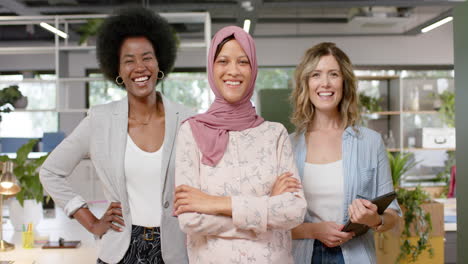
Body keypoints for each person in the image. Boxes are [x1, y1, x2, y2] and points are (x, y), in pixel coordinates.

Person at [39, 7, 193, 264]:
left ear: (159, 62)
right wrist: (90, 222)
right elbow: (50, 171)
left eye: (147, 58)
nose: (139, 67)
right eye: (129, 60)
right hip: (119, 250)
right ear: (118, 70)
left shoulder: (187, 120)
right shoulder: (99, 120)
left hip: (175, 252)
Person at [172, 26, 307, 264]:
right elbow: (190, 220)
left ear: (253, 68)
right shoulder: (190, 132)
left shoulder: (275, 134)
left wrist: (213, 204)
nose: (233, 71)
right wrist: (265, 212)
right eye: (223, 61)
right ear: (211, 68)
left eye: (243, 62)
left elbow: (294, 211)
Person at [289, 42, 401, 264]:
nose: (325, 83)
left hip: (356, 256)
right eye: (316, 75)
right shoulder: (288, 145)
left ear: (345, 83)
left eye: (334, 74)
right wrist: (314, 230)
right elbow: (274, 222)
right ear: (306, 84)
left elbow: (393, 217)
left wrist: (374, 219)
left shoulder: (370, 142)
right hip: (302, 256)